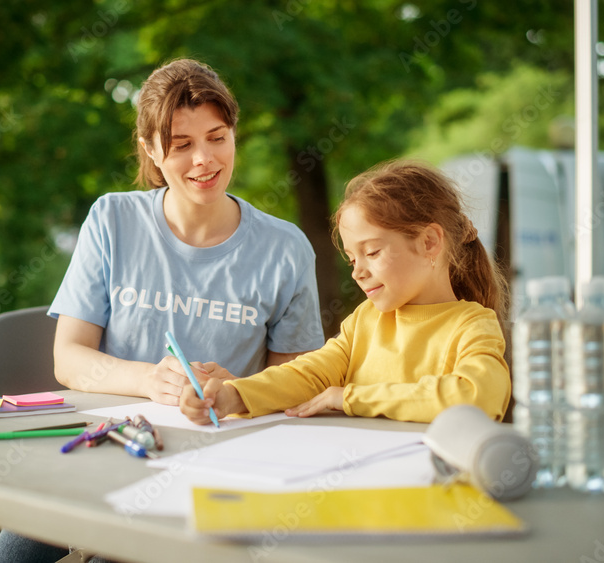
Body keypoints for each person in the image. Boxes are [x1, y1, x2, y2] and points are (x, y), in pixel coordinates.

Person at [0, 59, 325, 562]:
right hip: (102, 452)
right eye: (182, 144)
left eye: (217, 137)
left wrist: (236, 392)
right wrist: (150, 380)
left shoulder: (286, 248)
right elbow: (70, 359)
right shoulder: (112, 219)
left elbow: (299, 383)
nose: (204, 160)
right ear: (150, 149)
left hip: (213, 469)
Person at [180, 159, 511, 425]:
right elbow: (309, 374)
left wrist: (350, 398)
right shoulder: (366, 320)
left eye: (373, 252)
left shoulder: (472, 325)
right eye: (352, 258)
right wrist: (233, 395)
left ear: (429, 242)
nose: (358, 272)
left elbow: (476, 398)